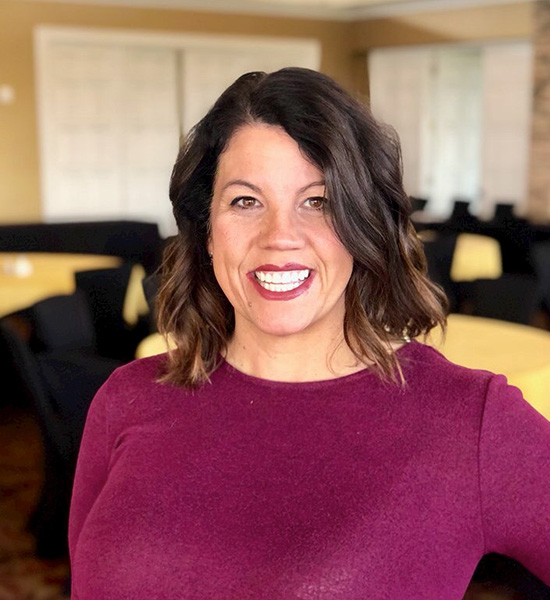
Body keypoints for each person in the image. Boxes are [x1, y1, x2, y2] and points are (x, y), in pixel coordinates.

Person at [68, 67, 550, 599]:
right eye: (245, 201)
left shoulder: (469, 422)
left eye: (318, 202)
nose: (280, 237)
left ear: (365, 225)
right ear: (207, 232)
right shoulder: (126, 399)